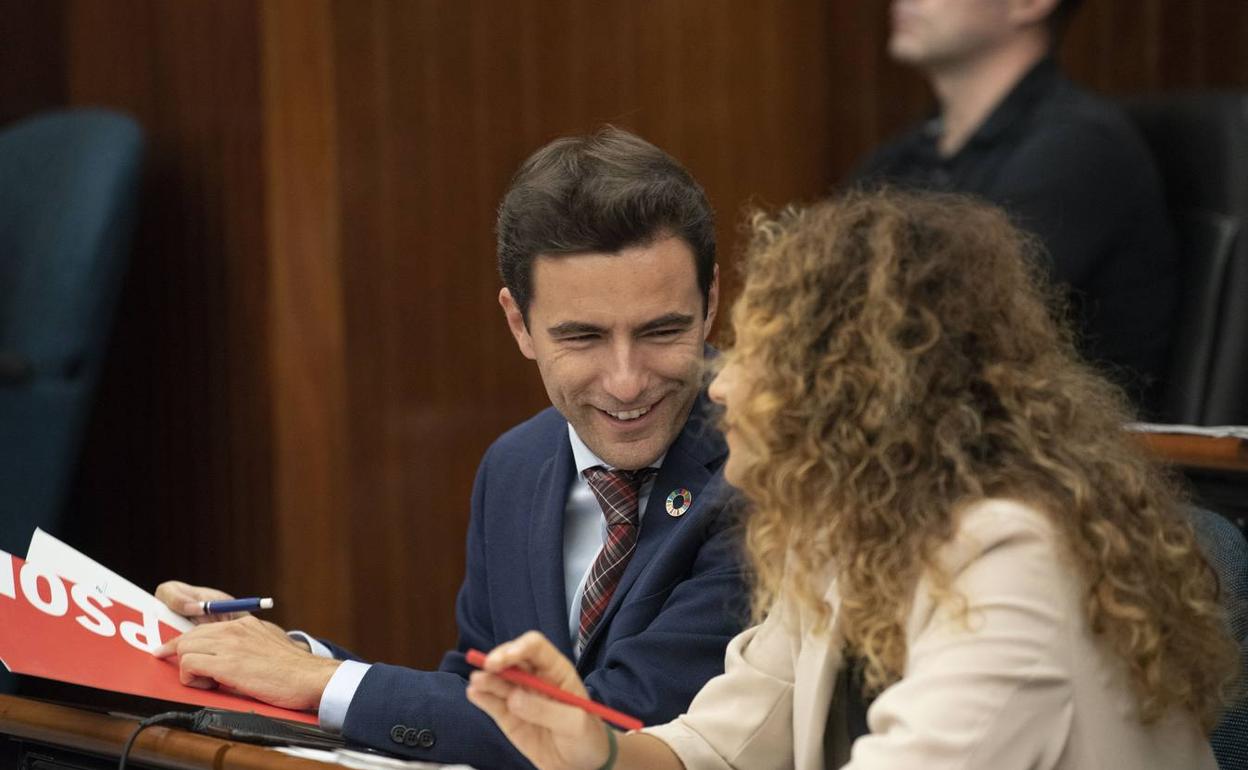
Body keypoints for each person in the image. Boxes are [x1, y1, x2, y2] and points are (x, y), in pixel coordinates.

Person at [466, 189, 1240, 770]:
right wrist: (593, 747)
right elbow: (714, 750)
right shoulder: (844, 536)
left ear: (855, 390)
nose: (723, 384)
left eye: (759, 352)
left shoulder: (1014, 558)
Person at [153, 127, 748, 767]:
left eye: (662, 330)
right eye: (583, 338)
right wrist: (277, 659)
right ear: (519, 323)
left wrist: (322, 684)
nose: (627, 379)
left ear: (710, 302)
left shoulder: (771, 468)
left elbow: (614, 722)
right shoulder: (514, 467)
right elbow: (474, 701)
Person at [854, 0, 1177, 415]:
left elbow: (948, 329)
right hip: (912, 434)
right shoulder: (904, 157)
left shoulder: (1081, 148)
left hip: (1032, 457)